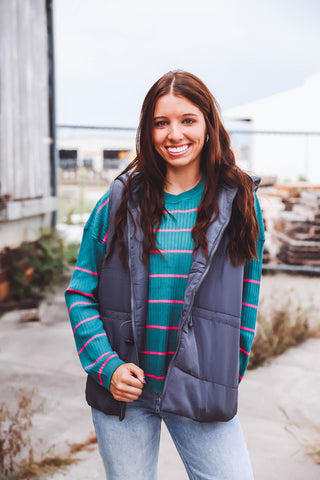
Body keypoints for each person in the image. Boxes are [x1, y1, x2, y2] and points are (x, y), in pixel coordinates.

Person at [65, 70, 265, 479]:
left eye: (187, 120)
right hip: (126, 394)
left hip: (201, 388)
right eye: (161, 122)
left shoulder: (239, 202)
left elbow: (248, 298)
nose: (174, 134)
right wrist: (107, 366)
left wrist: (226, 374)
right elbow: (80, 293)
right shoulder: (117, 202)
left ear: (209, 125)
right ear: (148, 130)